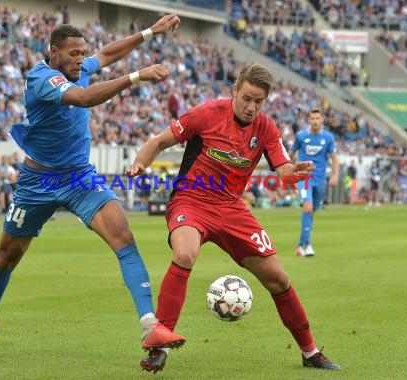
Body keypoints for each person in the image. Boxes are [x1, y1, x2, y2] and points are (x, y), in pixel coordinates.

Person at [0, 17, 186, 360]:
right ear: (54, 53)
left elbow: (107, 53)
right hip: (38, 182)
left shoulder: (78, 67)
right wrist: (136, 76)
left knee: (123, 236)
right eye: (74, 54)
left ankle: (150, 325)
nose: (82, 59)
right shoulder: (42, 78)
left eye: (82, 53)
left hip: (79, 178)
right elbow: (81, 99)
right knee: (8, 255)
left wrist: (151, 32)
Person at [127, 64, 340, 373]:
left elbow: (284, 169)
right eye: (247, 99)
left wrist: (295, 173)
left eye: (259, 102)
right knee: (185, 253)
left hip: (231, 209)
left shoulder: (266, 128)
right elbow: (158, 141)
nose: (252, 107)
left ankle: (310, 353)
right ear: (235, 91)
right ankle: (158, 347)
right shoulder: (206, 113)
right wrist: (141, 163)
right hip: (191, 201)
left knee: (278, 279)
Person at [289, 108, 339, 257]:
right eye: (312, 118)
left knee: (312, 212)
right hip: (304, 178)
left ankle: (301, 245)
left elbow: (334, 158)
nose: (315, 121)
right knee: (308, 208)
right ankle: (308, 245)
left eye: (318, 118)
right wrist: (288, 173)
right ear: (308, 120)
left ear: (322, 120)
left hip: (320, 179)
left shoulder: (328, 137)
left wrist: (335, 175)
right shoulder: (301, 136)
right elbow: (288, 156)